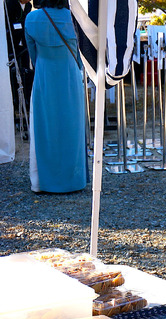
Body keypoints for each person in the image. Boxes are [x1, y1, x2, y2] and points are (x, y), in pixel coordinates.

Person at [25, 0, 87, 193]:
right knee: (72, 126)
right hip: (70, 76)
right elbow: (80, 54)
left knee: (45, 127)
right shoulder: (75, 18)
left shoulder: (32, 18)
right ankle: (74, 180)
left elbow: (32, 55)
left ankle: (44, 181)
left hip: (44, 75)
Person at [5, 0, 34, 117]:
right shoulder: (9, 4)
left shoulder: (28, 6)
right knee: (13, 75)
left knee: (25, 71)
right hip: (12, 47)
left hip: (24, 46)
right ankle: (15, 103)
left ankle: (25, 103)